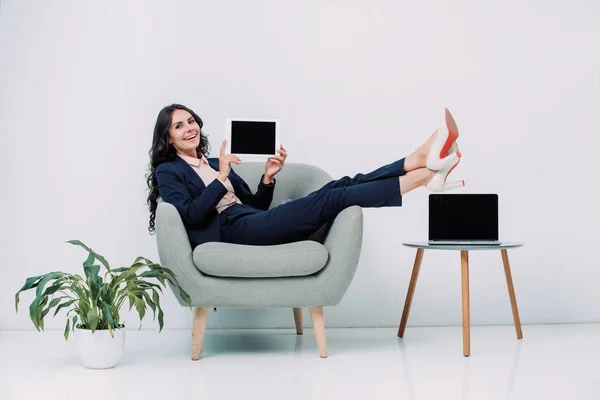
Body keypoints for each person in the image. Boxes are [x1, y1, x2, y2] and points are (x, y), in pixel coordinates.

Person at [146, 104, 464, 248]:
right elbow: (190, 215)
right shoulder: (168, 171)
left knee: (340, 184)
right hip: (231, 231)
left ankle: (419, 164)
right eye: (178, 126)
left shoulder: (214, 160)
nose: (189, 128)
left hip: (249, 219)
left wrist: (269, 177)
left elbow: (256, 204)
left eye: (191, 121)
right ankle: (423, 173)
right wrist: (220, 179)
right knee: (332, 197)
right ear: (168, 138)